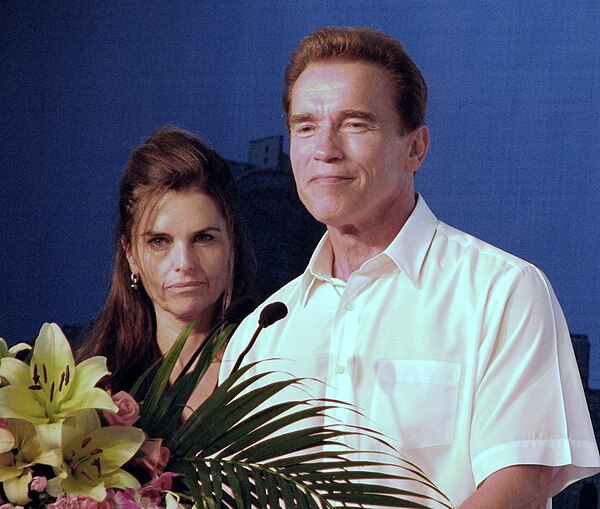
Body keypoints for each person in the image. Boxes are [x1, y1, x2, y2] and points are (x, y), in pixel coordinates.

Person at [221, 27, 600, 508]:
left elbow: (516, 490)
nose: (325, 149)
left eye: (355, 124)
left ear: (416, 148)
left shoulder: (501, 292)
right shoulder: (264, 330)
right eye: (305, 126)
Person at [78, 127, 254, 412]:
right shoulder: (94, 388)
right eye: (159, 241)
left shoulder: (275, 362)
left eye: (203, 238)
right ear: (130, 254)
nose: (184, 263)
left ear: (232, 244)